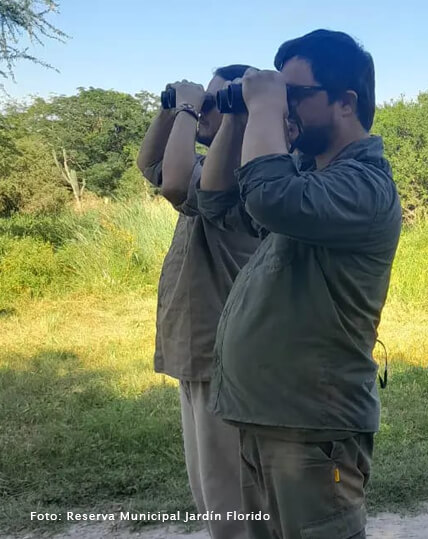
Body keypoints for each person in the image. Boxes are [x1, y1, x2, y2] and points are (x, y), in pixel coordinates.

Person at [196, 30, 401, 539]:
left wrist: (265, 105)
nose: (282, 109)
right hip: (266, 417)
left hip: (313, 430)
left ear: (345, 102)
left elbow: (268, 196)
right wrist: (241, 115)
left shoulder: (366, 185)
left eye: (293, 96)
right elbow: (217, 200)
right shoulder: (307, 177)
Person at [135, 64, 260, 539]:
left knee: (230, 495)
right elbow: (152, 166)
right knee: (210, 491)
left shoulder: (242, 179)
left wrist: (188, 108)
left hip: (221, 354)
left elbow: (172, 184)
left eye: (217, 102)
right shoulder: (210, 167)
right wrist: (171, 111)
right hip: (196, 349)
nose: (205, 111)